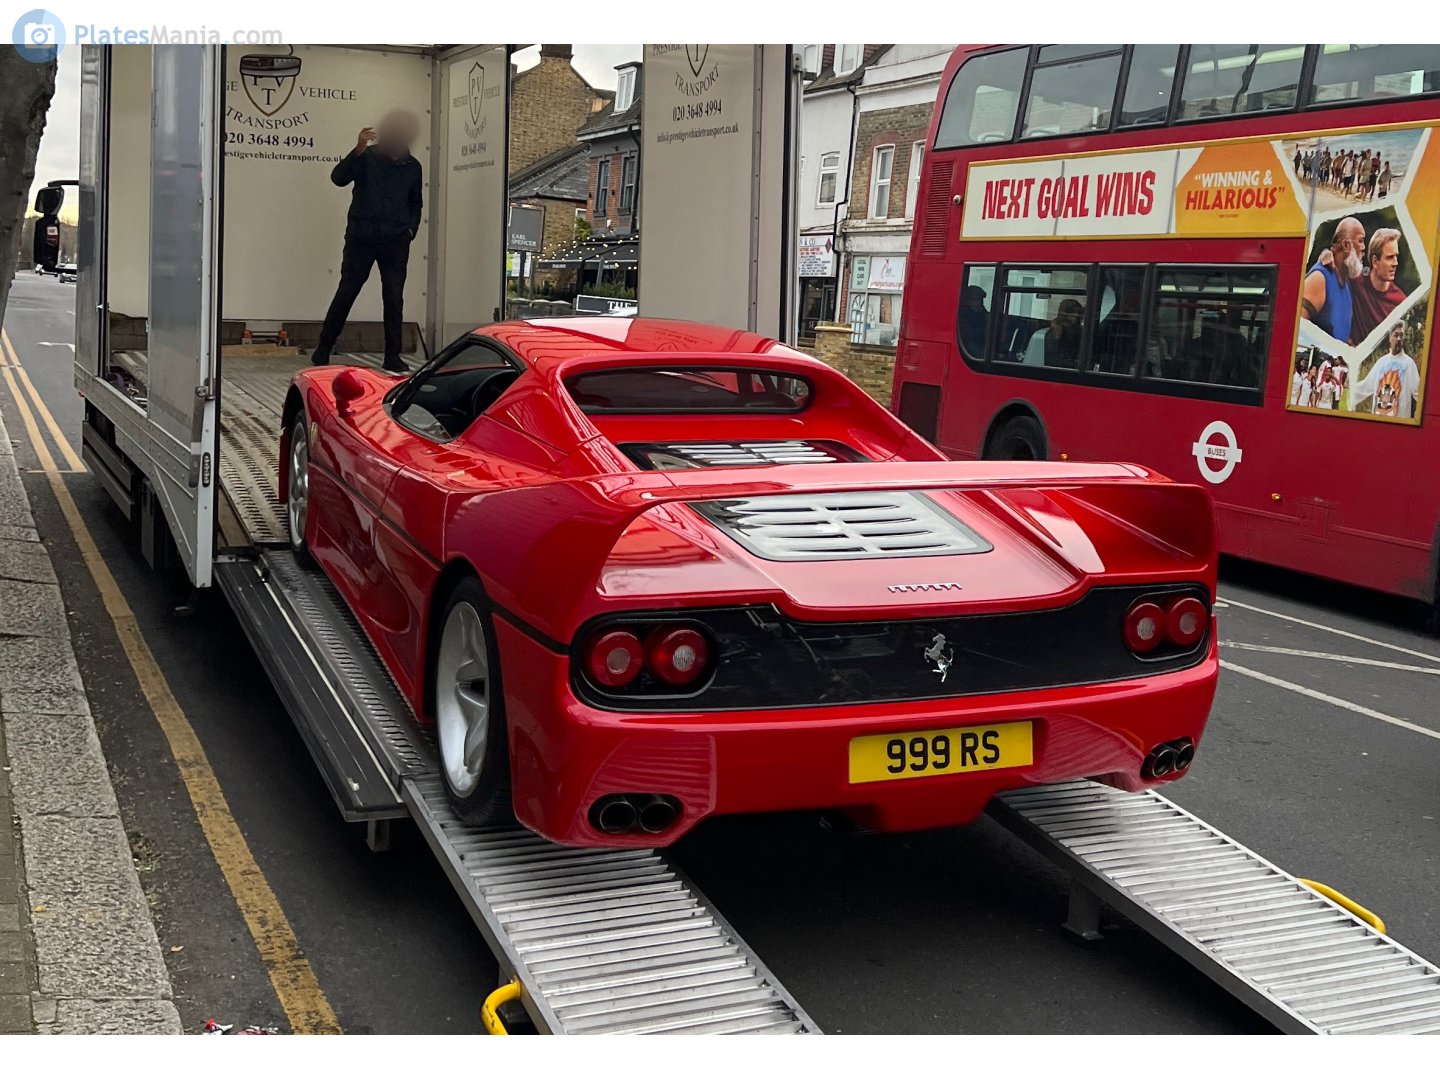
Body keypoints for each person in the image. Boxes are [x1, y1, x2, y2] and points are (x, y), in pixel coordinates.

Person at [312, 110, 424, 372]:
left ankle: (392, 356)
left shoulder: (413, 166)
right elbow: (338, 178)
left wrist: (410, 231)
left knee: (394, 298)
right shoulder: (367, 157)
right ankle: (324, 347)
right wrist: (358, 149)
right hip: (361, 238)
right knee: (347, 291)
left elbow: (415, 204)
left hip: (395, 241)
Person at [1302, 217, 1363, 343]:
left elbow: (1339, 335)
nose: (1363, 247)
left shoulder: (1346, 284)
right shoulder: (1319, 278)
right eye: (1361, 240)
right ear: (1346, 245)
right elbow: (1298, 329)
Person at [1349, 227, 1407, 344]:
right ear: (1375, 261)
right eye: (1390, 257)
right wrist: (1326, 255)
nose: (1395, 263)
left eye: (1396, 256)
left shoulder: (1401, 302)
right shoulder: (1355, 284)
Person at [1351, 322, 1421, 418]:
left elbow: (1418, 391)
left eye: (1401, 335)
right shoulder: (1381, 362)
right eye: (1396, 335)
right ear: (1390, 338)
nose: (1399, 339)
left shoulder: (1409, 364)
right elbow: (1366, 385)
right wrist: (1350, 389)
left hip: (1399, 420)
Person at [1023, 298, 1083, 367]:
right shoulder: (1053, 335)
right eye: (1074, 313)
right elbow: (1051, 361)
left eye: (1079, 313)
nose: (1078, 316)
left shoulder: (1079, 333)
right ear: (1066, 316)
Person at [958, 284, 989, 357]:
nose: (980, 304)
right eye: (977, 300)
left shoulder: (981, 312)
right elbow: (969, 338)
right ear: (967, 301)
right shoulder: (964, 316)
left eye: (981, 300)